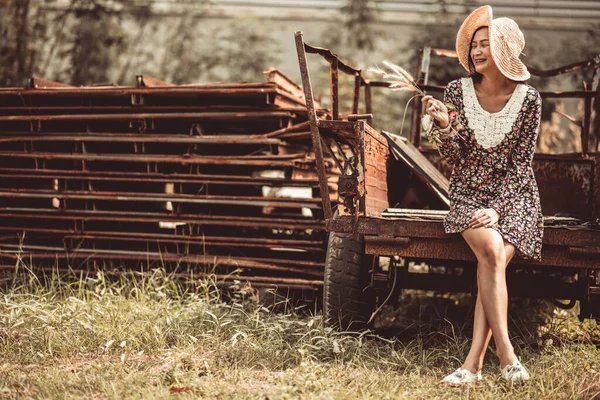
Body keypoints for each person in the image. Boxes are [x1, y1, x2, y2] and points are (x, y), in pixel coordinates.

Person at [421, 5, 543, 384]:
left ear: (504, 49)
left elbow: (521, 163)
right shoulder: (456, 91)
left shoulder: (530, 100)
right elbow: (454, 156)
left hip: (516, 197)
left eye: (485, 44)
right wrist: (443, 125)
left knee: (491, 264)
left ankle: (472, 365)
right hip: (469, 193)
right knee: (491, 253)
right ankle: (508, 357)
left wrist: (498, 208)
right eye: (473, 45)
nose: (476, 51)